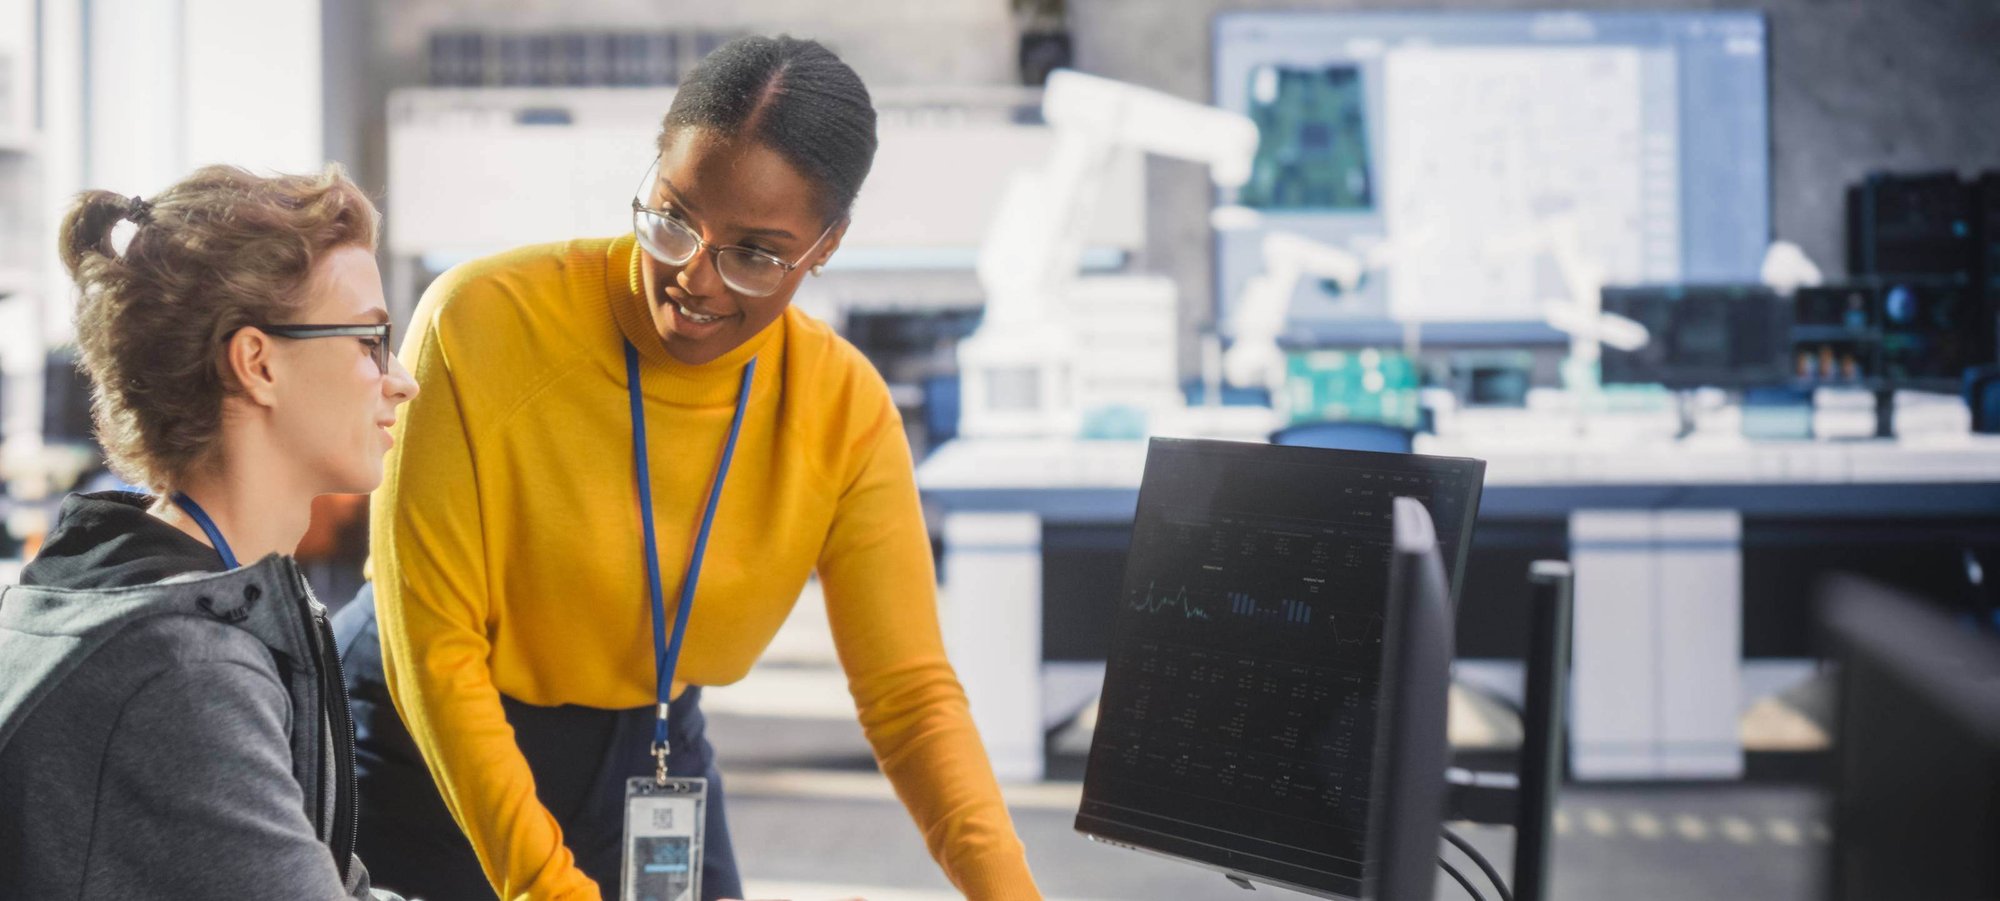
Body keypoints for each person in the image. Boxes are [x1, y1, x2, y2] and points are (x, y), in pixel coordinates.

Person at [338, 34, 1043, 900]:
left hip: (650, 741)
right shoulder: (478, 321)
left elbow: (910, 697)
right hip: (419, 739)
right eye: (673, 219)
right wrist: (545, 886)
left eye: (754, 252)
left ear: (825, 245)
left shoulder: (840, 407)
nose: (693, 278)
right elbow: (434, 650)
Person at [0, 165, 418, 899]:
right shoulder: (181, 671)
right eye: (369, 340)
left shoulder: (168, 603)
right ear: (257, 362)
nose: (401, 379)